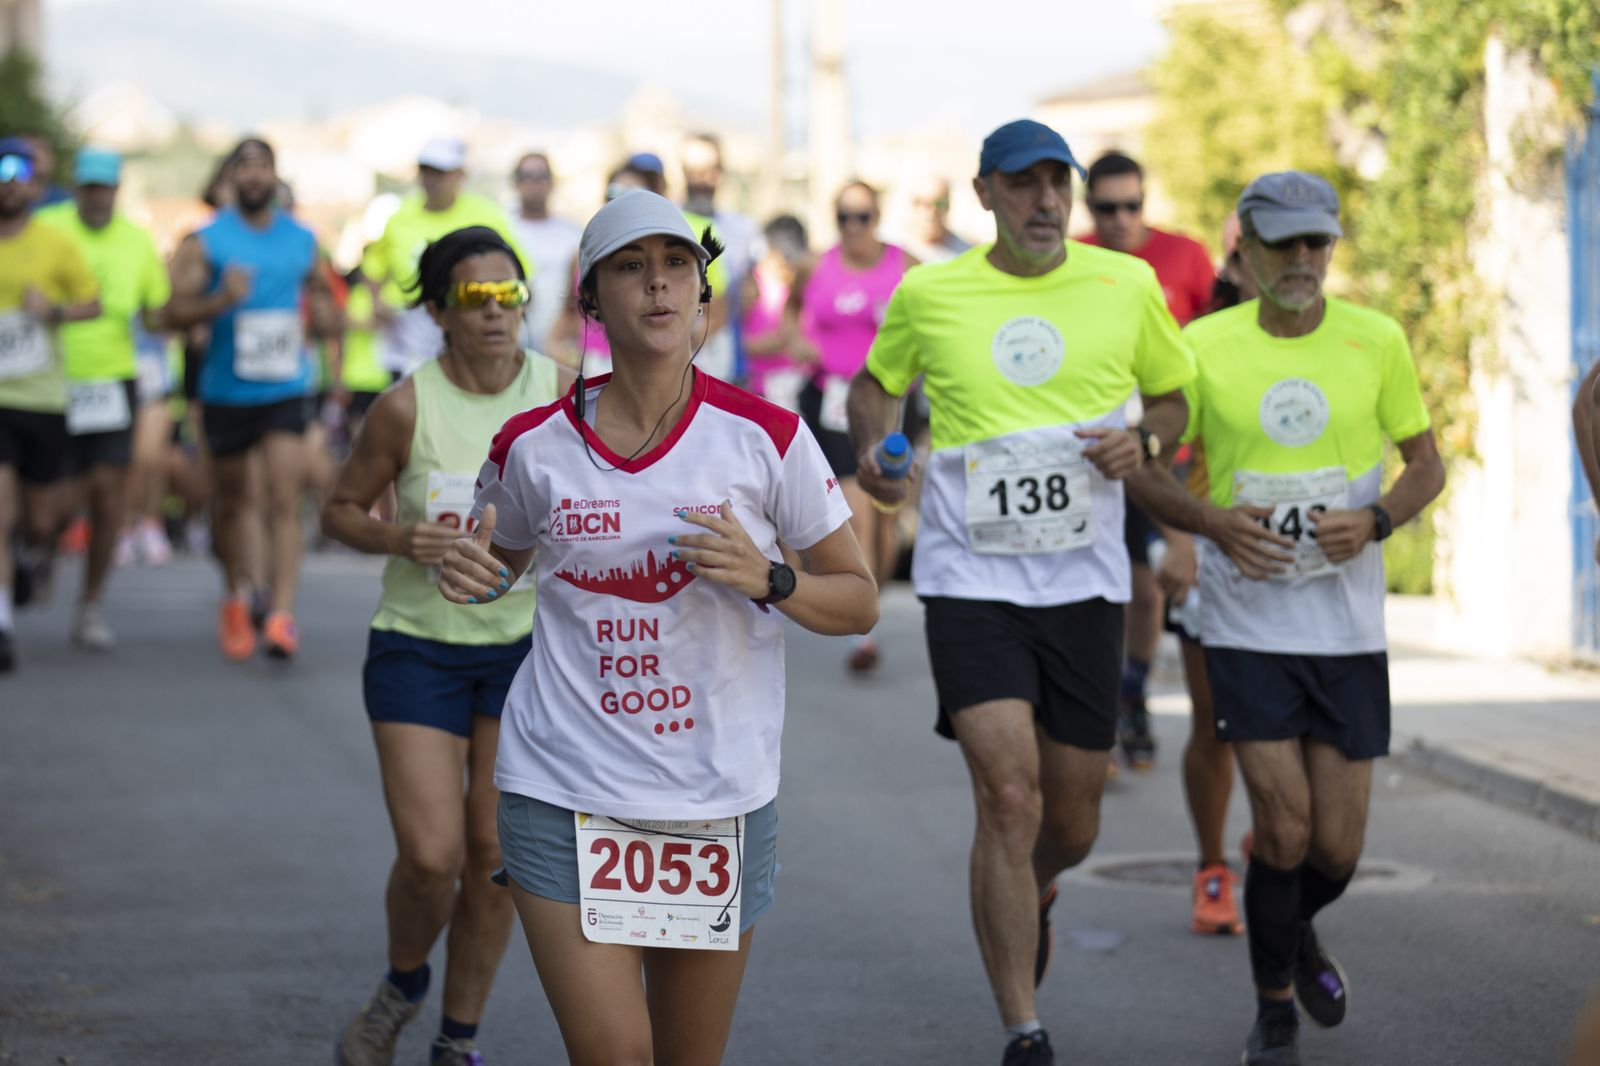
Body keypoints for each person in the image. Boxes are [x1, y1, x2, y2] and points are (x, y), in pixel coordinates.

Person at [441, 190, 877, 1065]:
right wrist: (469, 572)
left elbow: (858, 598)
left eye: (677, 264)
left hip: (716, 795)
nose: (659, 286)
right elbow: (501, 564)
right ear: (592, 297)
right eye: (631, 267)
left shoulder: (766, 437)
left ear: (704, 293)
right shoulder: (531, 445)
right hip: (562, 784)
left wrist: (772, 577)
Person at [847, 119, 1194, 1066]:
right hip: (972, 580)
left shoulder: (1125, 284)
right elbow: (874, 389)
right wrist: (882, 456)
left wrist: (1148, 442)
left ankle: (1034, 886)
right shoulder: (932, 290)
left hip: (1084, 584)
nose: (1046, 200)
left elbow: (1173, 396)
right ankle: (1023, 1026)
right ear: (985, 194)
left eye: (1058, 184)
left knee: (1071, 817)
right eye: (1024, 184)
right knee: (1007, 794)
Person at [1130, 171, 1445, 1065]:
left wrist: (1379, 518)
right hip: (1245, 623)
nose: (1303, 261)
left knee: (1337, 847)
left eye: (1318, 244)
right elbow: (1148, 468)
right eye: (1284, 244)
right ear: (1247, 250)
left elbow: (1426, 465)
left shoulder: (1375, 340)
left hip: (1346, 627)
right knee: (1285, 827)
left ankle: (1293, 924)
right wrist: (1210, 523)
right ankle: (1274, 1008)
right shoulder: (1200, 346)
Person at [323, 227, 562, 1066]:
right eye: (475, 299)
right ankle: (401, 984)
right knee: (432, 856)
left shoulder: (562, 396)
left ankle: (457, 1039)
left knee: (494, 854)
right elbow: (340, 512)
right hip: (419, 645)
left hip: (526, 653)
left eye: (510, 295)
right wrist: (404, 540)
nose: (497, 314)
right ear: (438, 311)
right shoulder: (406, 404)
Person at [166, 136, 340, 661]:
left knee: (286, 497)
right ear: (231, 178)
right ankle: (239, 592)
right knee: (234, 502)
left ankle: (280, 613)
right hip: (225, 391)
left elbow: (324, 297)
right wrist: (222, 299)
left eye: (264, 166)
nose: (256, 177)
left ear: (275, 176)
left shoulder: (302, 240)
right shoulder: (207, 241)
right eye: (246, 168)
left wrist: (328, 323)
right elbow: (173, 314)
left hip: (286, 386)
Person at [1079, 150, 1216, 770]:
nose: (1120, 219)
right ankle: (1109, 708)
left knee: (1154, 588)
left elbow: (1217, 341)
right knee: (1123, 583)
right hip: (1096, 452)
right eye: (1107, 208)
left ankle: (1131, 692)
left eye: (1132, 205)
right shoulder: (1075, 260)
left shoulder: (1185, 256)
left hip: (1166, 448)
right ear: (1089, 209)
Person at [1153, 210, 1259, 935]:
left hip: (1305, 568)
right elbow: (1157, 454)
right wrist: (1179, 538)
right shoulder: (1198, 343)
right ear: (1235, 259)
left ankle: (1278, 834)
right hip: (1214, 556)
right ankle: (1213, 866)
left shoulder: (1349, 336)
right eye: (1262, 251)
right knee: (1216, 725)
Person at [35, 148, 170, 650]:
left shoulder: (137, 241)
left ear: (116, 190)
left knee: (110, 493)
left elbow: (156, 311)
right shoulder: (46, 226)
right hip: (48, 381)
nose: (95, 196)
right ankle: (41, 546)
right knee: (50, 502)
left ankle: (90, 604)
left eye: (104, 187)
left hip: (113, 380)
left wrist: (188, 320)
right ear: (76, 188)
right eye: (87, 186)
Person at [789, 180, 915, 674]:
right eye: (844, 216)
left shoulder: (905, 267)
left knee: (885, 517)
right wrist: (799, 343)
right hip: (831, 401)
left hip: (888, 399)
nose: (854, 226)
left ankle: (870, 603)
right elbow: (791, 314)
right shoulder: (816, 265)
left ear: (878, 216)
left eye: (863, 216)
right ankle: (863, 632)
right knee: (856, 506)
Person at [0, 136, 102, 672]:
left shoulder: (55, 243)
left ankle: (30, 553)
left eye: (20, 171)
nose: (10, 179)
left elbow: (94, 302)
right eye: (1, 168)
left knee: (41, 520)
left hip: (42, 399)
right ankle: (2, 624)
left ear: (36, 186)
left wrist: (56, 311)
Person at [362, 138, 523, 378]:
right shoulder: (399, 218)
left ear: (459, 174)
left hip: (469, 328)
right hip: (409, 336)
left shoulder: (488, 215)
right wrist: (376, 302)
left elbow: (520, 274)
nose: (431, 179)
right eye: (425, 171)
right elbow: (374, 267)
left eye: (440, 172)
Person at [508, 151, 580, 358]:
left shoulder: (573, 234)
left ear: (552, 182)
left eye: (542, 176)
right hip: (513, 346)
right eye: (527, 176)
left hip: (559, 350)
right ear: (516, 182)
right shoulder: (503, 229)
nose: (535, 184)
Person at [740, 214, 809, 411]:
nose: (784, 255)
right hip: (760, 389)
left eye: (791, 247)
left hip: (801, 387)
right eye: (777, 246)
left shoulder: (807, 281)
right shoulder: (753, 282)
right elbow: (742, 341)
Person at [902, 175, 971, 264]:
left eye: (939, 204)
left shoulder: (965, 254)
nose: (932, 213)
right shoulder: (894, 249)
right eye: (925, 204)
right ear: (914, 205)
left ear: (948, 206)